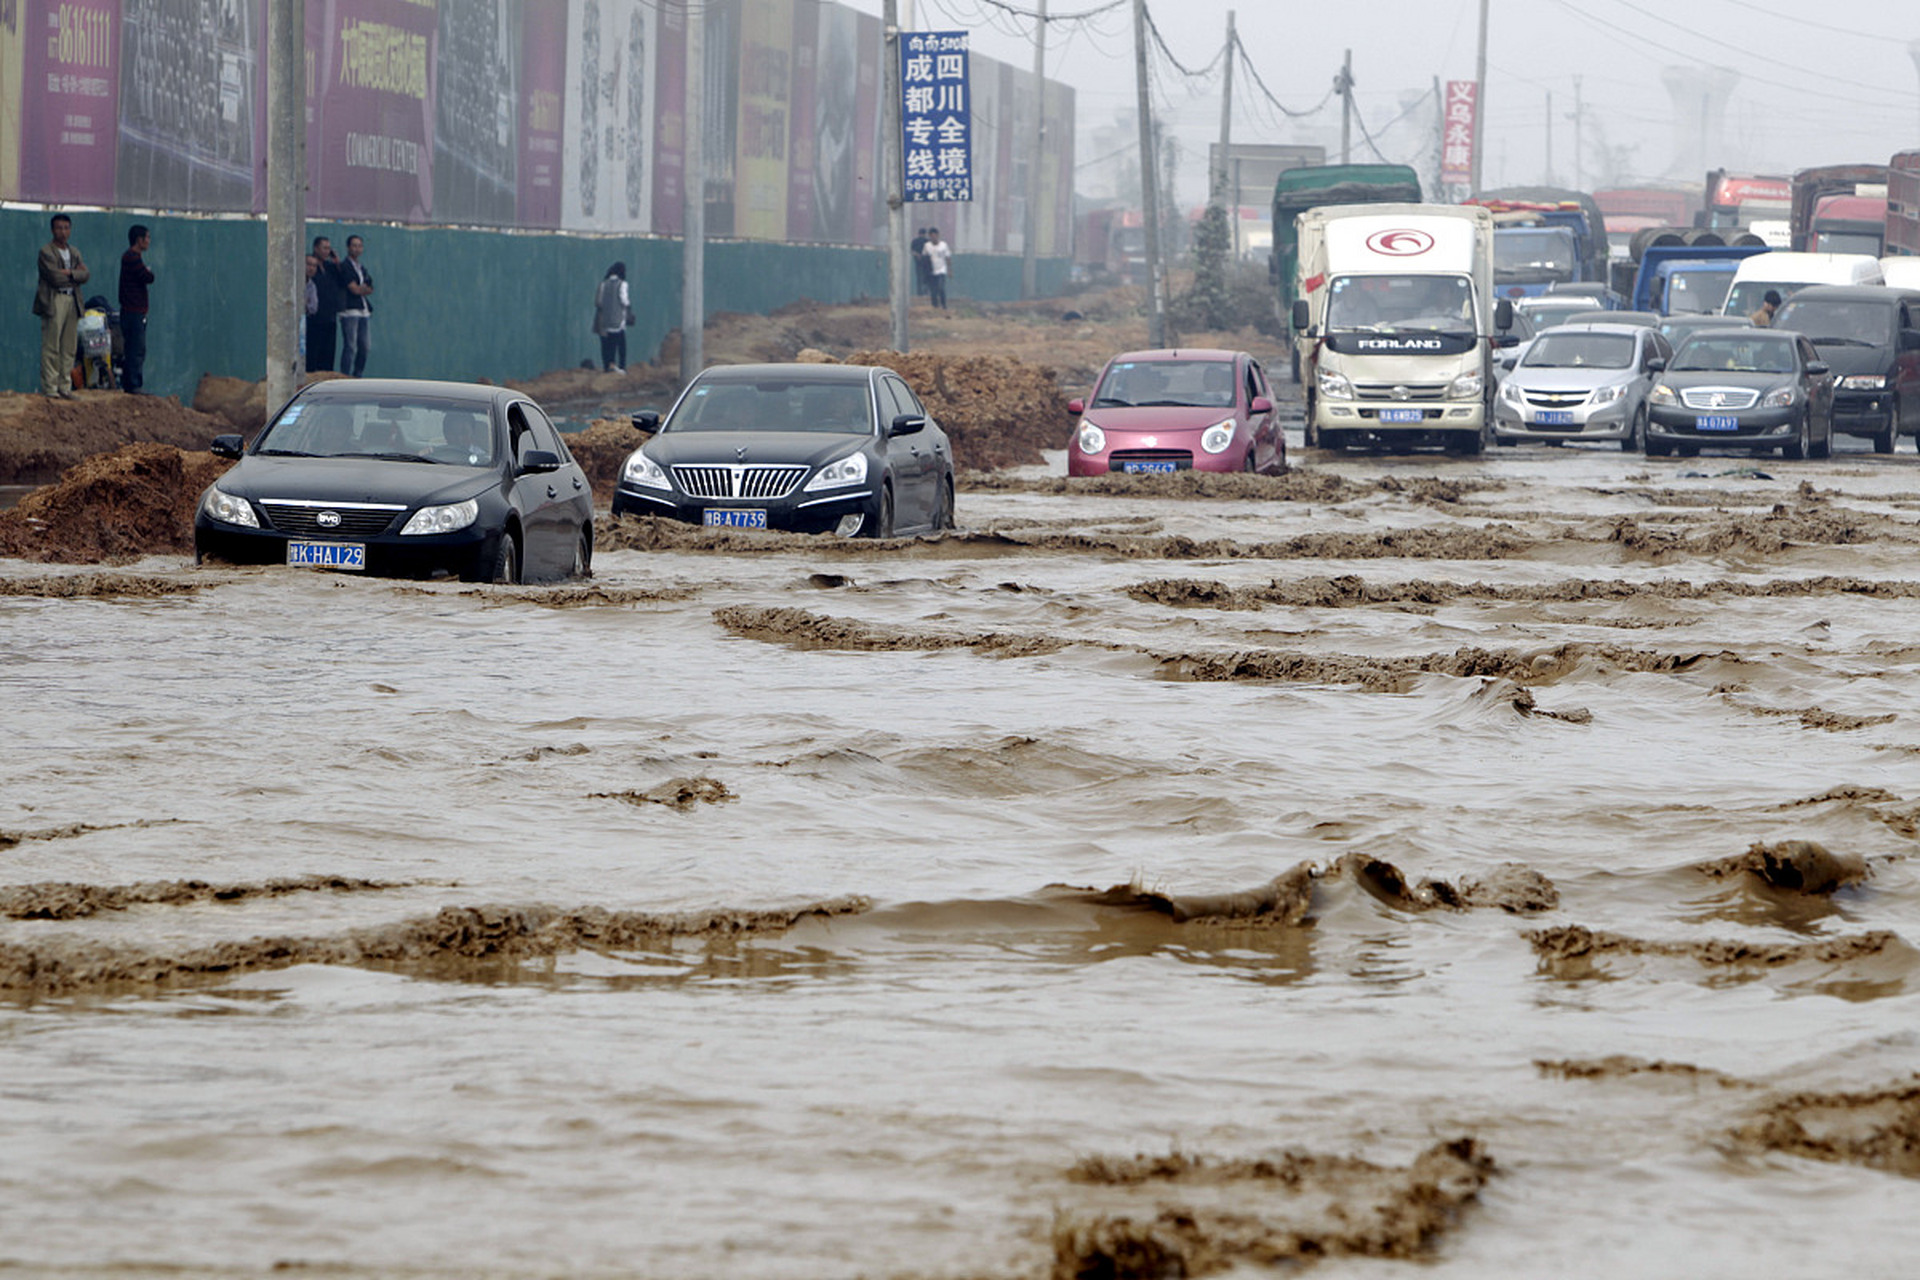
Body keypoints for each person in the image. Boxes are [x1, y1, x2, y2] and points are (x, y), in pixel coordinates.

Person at [33, 214, 88, 399]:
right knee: (51, 345)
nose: (63, 232)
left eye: (66, 228)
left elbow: (86, 275)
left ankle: (65, 387)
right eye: (59, 228)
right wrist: (75, 275)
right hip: (54, 300)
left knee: (69, 346)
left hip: (73, 300)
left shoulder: (75, 252)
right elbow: (54, 278)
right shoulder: (46, 251)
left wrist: (69, 273)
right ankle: (50, 388)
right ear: (52, 230)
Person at [118, 224, 155, 393]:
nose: (149, 241)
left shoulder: (132, 257)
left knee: (134, 348)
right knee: (136, 349)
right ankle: (133, 385)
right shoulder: (132, 258)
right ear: (139, 240)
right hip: (133, 312)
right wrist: (148, 272)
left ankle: (131, 383)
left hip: (133, 311)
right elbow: (147, 277)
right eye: (147, 237)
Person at [336, 235, 373, 376]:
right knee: (350, 346)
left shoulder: (361, 268)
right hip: (350, 311)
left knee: (365, 346)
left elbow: (370, 287)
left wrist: (361, 289)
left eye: (359, 245)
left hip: (364, 311)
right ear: (348, 247)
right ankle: (345, 375)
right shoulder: (345, 266)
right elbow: (354, 289)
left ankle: (357, 374)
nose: (357, 248)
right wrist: (360, 289)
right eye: (354, 245)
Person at [308, 235, 343, 373]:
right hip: (315, 317)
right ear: (316, 248)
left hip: (330, 316)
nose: (327, 251)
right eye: (324, 248)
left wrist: (336, 262)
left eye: (329, 248)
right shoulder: (310, 266)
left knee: (328, 354)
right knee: (313, 352)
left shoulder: (330, 267)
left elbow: (342, 281)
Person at [593, 262, 631, 372]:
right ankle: (622, 367)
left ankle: (609, 366)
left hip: (605, 321)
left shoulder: (604, 284)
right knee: (621, 345)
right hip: (619, 321)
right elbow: (624, 301)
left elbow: (599, 302)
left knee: (608, 346)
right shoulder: (622, 284)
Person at [923, 228, 952, 310]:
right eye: (931, 236)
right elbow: (924, 257)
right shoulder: (927, 246)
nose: (933, 238)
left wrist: (949, 270)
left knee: (941, 288)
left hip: (942, 269)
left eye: (935, 235)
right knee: (933, 290)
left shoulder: (943, 245)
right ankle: (934, 306)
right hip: (931, 271)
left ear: (938, 235)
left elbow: (948, 257)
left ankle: (944, 305)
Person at [910, 227, 930, 296]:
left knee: (919, 278)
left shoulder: (914, 241)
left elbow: (912, 251)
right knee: (926, 277)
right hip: (926, 262)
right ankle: (925, 292)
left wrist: (917, 255)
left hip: (918, 262)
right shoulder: (927, 241)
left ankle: (920, 293)